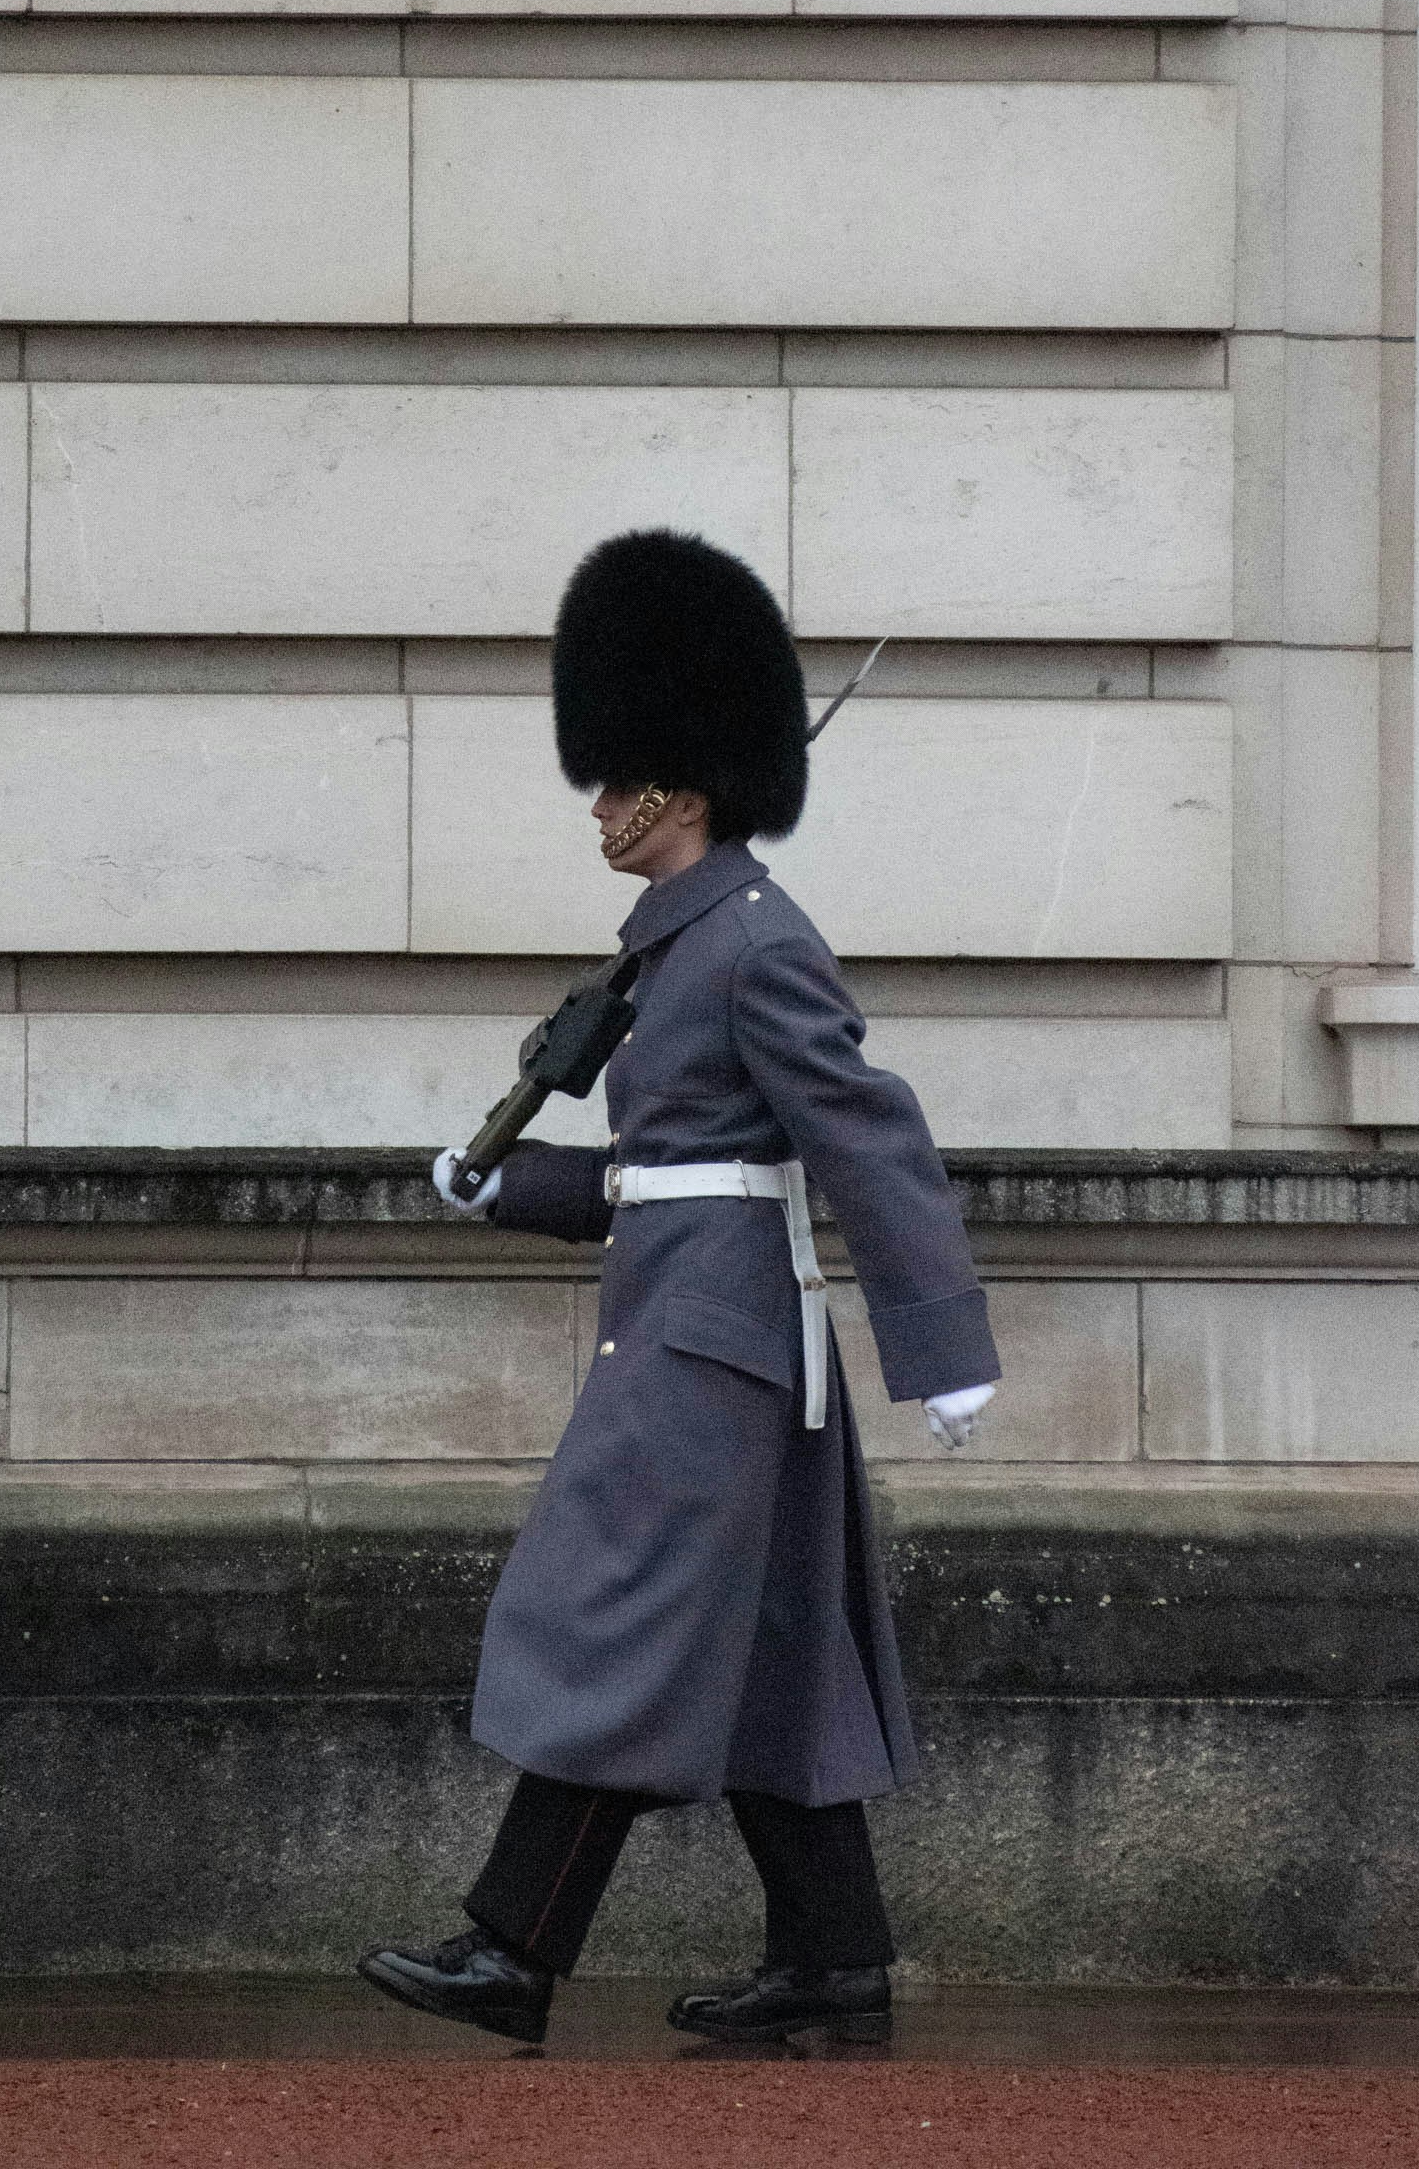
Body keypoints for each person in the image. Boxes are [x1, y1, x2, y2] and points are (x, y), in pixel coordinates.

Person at [358, 529, 999, 2047]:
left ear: (685, 786)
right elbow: (668, 1175)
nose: (598, 799)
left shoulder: (758, 945)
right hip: (708, 1330)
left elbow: (868, 1141)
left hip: (712, 1355)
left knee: (610, 1623)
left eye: (620, 773)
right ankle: (834, 1964)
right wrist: (507, 1185)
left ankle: (513, 1948)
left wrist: (942, 1344)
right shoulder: (680, 949)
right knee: (781, 1654)